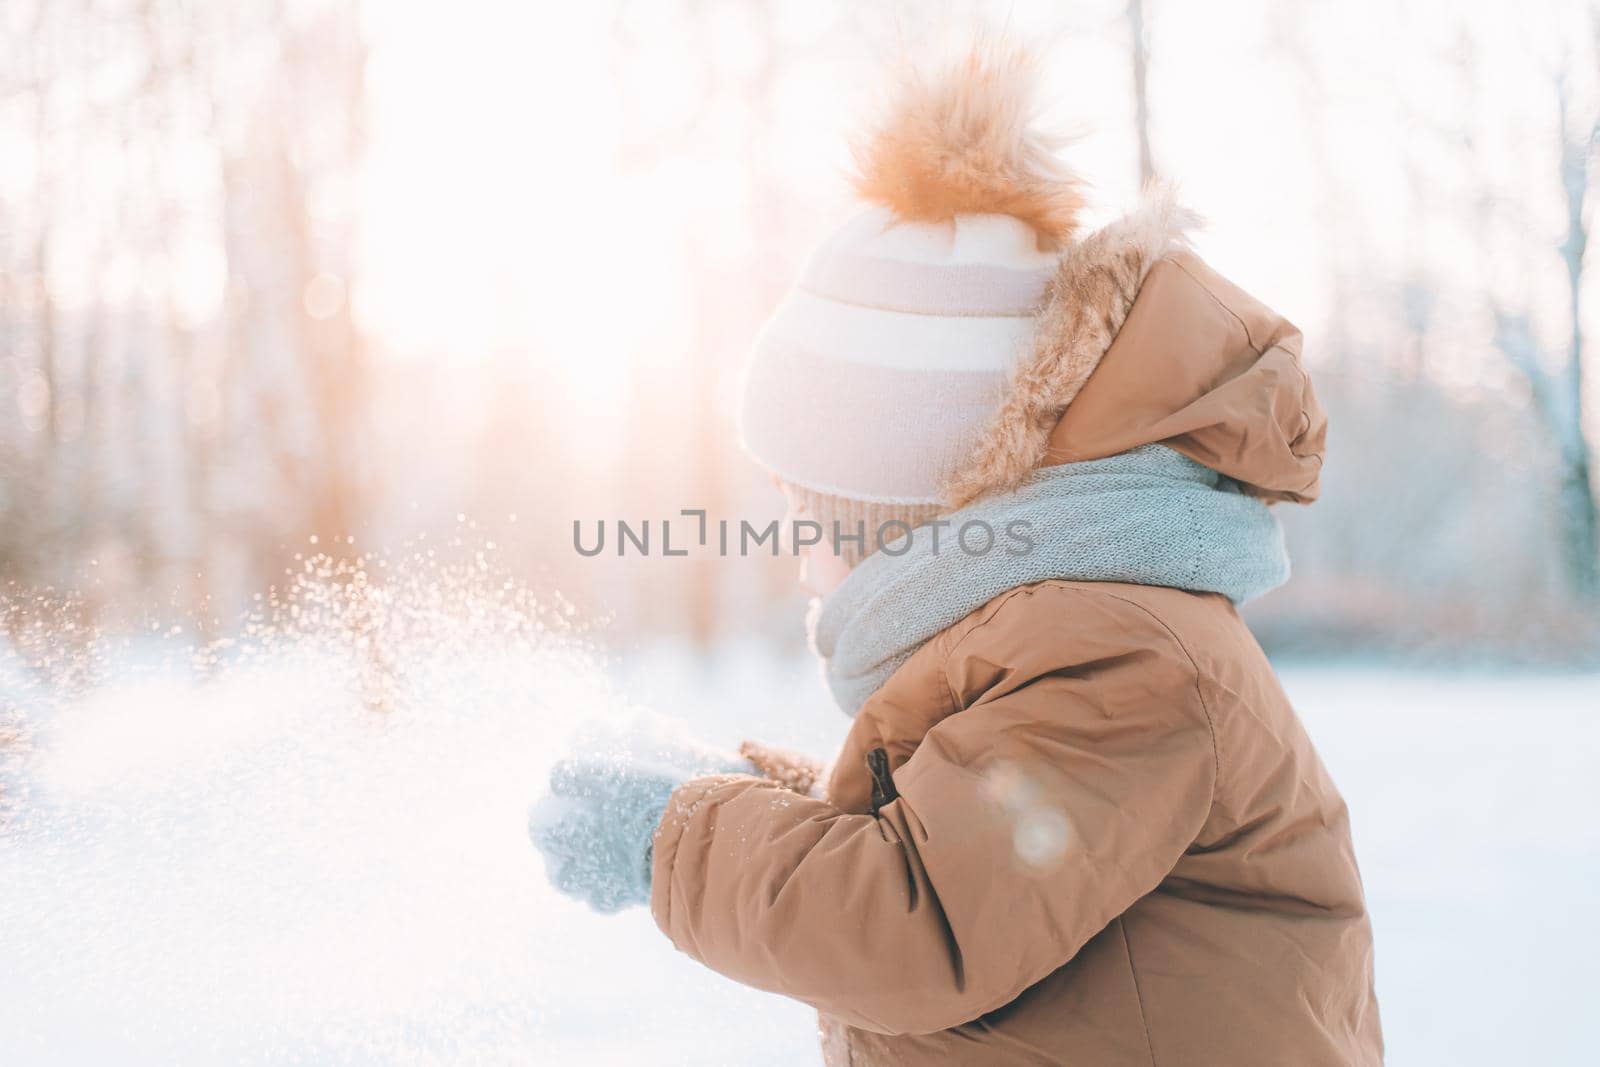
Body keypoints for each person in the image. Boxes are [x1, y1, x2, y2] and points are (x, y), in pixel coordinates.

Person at [530, 42, 1383, 1066]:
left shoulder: (1119, 655)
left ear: (899, 516)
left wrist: (675, 838)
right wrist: (728, 790)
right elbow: (964, 834)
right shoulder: (1064, 631)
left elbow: (916, 917)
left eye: (810, 514)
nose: (796, 557)